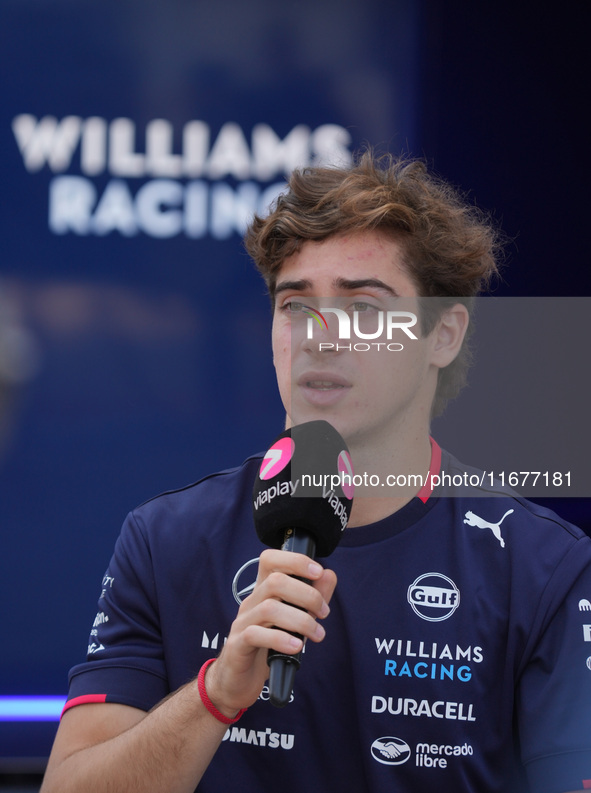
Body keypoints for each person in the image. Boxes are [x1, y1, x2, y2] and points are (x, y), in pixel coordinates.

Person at [41, 153, 591, 793]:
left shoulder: (544, 567)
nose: (319, 337)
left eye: (362, 307)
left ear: (443, 336)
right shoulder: (165, 539)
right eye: (296, 306)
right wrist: (216, 693)